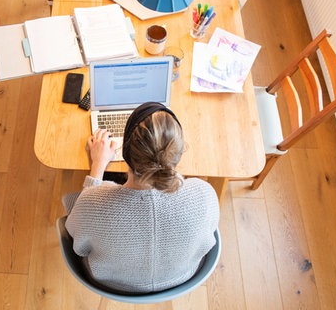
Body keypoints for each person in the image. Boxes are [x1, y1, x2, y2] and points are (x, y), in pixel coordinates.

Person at [64, 102, 220, 294]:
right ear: (177, 154)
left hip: (111, 283)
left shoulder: (93, 203)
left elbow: (78, 244)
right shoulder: (204, 195)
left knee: (74, 204)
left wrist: (98, 165)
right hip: (181, 277)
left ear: (125, 153)